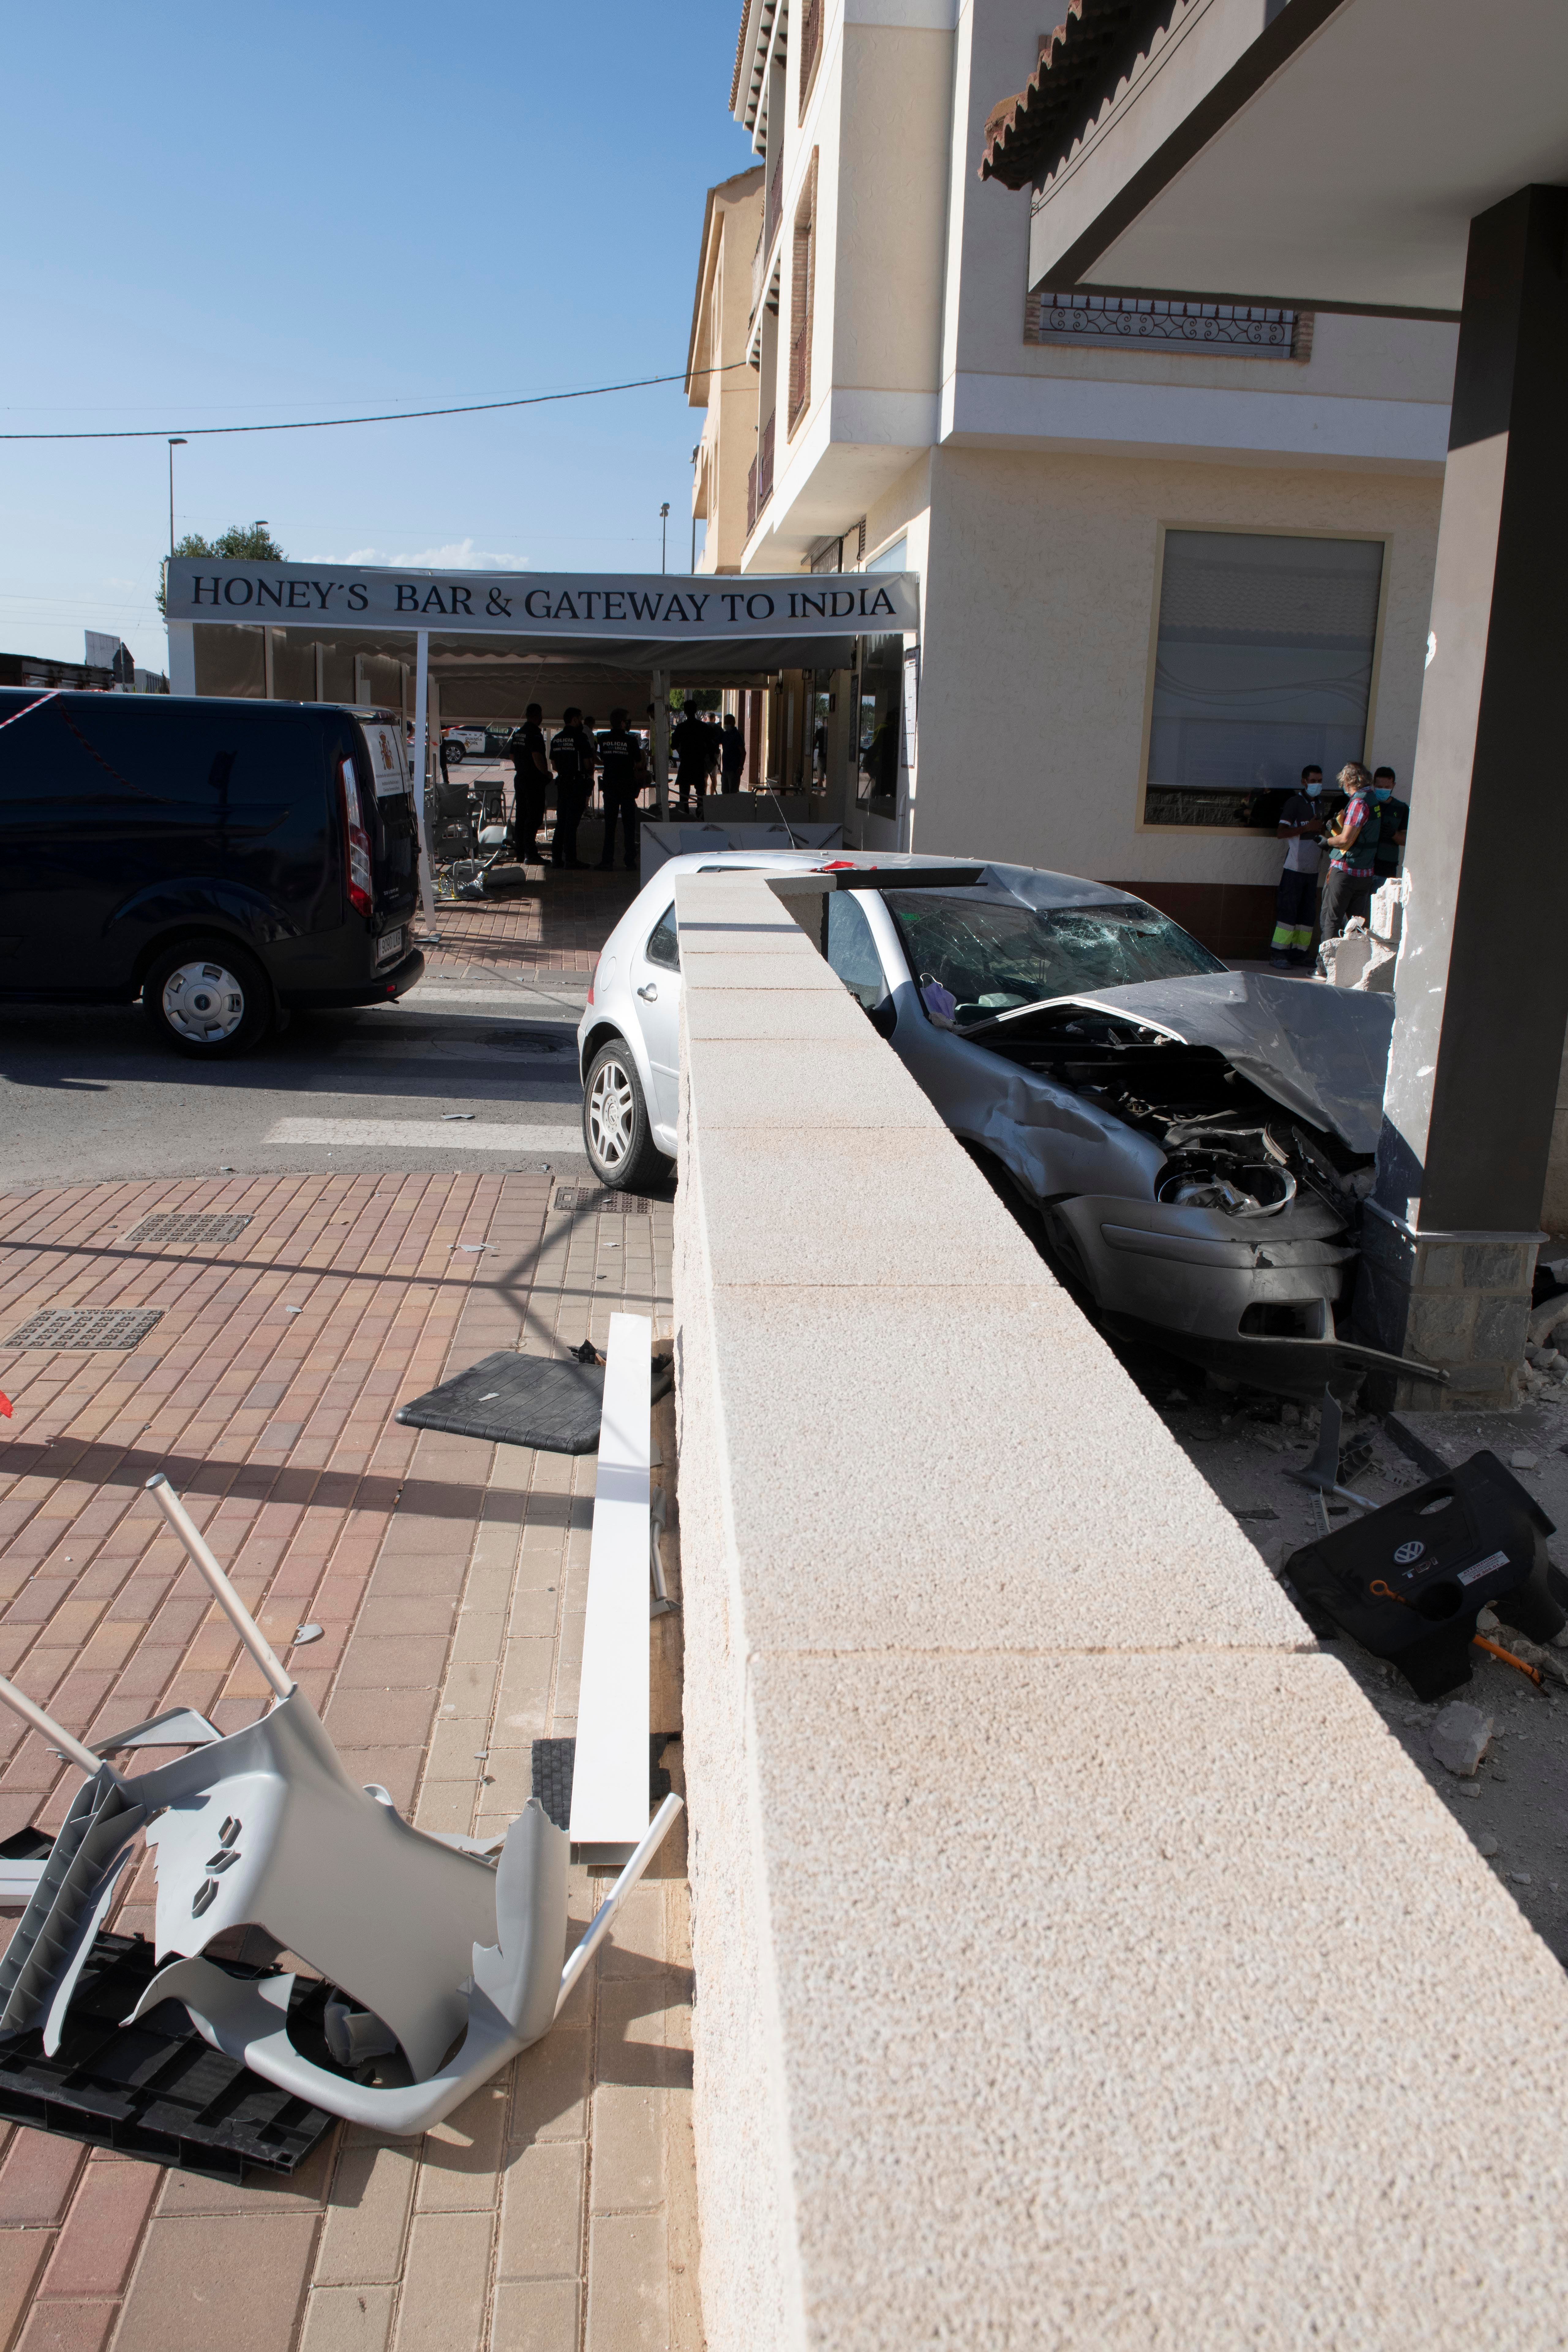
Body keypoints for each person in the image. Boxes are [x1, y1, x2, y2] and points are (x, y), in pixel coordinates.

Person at [1269, 763, 1325, 969]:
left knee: (1306, 915)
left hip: (1313, 870)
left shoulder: (1320, 803)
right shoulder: (1294, 803)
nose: (1317, 785)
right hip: (1294, 868)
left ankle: (1299, 954)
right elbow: (1281, 832)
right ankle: (1278, 954)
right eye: (1313, 781)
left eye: (1320, 781)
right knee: (1288, 913)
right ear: (1304, 782)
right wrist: (1306, 828)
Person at [1318, 760, 1381, 942]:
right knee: (1357, 924)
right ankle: (1352, 966)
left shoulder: (1359, 803)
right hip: (1365, 873)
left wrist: (1327, 842)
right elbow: (1363, 832)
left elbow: (1346, 839)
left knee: (1332, 920)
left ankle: (1325, 968)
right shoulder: (1373, 800)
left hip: (1346, 872)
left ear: (1347, 781)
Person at [595, 708, 646, 871]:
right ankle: (630, 861)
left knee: (610, 826)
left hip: (610, 786)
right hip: (627, 787)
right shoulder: (631, 741)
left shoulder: (604, 739)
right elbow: (639, 762)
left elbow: (603, 758)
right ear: (623, 723)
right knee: (629, 826)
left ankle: (607, 861)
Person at [549, 706, 595, 868]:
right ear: (575, 719)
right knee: (573, 823)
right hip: (577, 784)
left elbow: (554, 765)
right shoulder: (581, 738)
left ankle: (556, 858)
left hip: (563, 783)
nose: (582, 722)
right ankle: (571, 859)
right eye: (581, 719)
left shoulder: (556, 739)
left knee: (562, 821)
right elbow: (588, 763)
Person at [508, 703, 551, 864]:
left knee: (521, 816)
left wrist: (522, 766)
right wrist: (545, 773)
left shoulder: (519, 733)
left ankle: (520, 852)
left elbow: (512, 756)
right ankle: (531, 854)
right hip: (533, 781)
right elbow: (537, 757)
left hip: (520, 779)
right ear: (538, 715)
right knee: (534, 817)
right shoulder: (535, 734)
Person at [669, 701, 718, 814]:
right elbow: (711, 745)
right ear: (696, 711)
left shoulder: (681, 727)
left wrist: (681, 749)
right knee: (701, 792)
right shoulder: (703, 727)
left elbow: (674, 745)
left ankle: (685, 814)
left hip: (686, 762)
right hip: (699, 763)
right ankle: (701, 813)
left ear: (685, 711)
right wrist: (712, 759)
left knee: (684, 793)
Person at [1369, 764, 1409, 886]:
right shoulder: (1366, 804)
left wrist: (1394, 834)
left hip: (1386, 867)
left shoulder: (1402, 808)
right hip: (1364, 865)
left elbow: (1405, 840)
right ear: (1373, 785)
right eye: (1380, 787)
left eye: (1387, 787)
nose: (1383, 790)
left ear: (1394, 786)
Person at [720, 711, 745, 793]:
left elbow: (743, 752)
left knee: (733, 793)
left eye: (728, 722)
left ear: (733, 723)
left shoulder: (737, 736)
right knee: (725, 791)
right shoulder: (725, 735)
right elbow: (715, 741)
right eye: (725, 722)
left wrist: (741, 767)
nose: (726, 724)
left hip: (734, 770)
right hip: (725, 769)